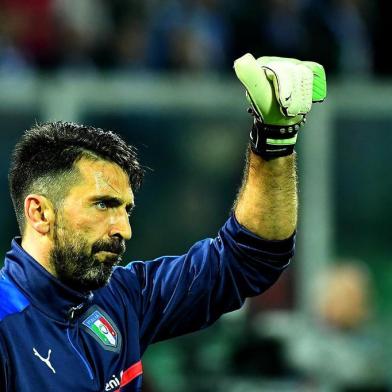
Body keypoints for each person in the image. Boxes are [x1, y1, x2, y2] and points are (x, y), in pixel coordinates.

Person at [0, 54, 326, 391]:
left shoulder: (121, 298)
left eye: (126, 210)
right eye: (103, 205)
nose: (122, 229)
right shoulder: (5, 324)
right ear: (40, 214)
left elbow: (251, 257)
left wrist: (275, 138)